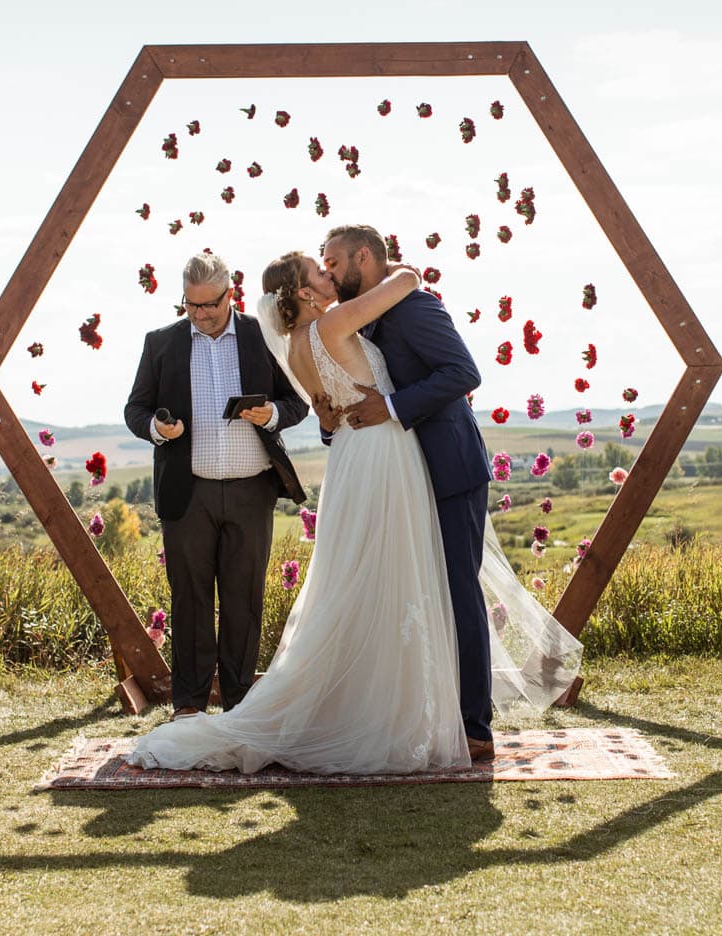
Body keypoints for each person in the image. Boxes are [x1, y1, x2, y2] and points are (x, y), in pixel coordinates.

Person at [125, 247, 580, 776]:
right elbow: (406, 278)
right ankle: (399, 708)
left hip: (350, 459)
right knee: (399, 577)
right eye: (321, 271)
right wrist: (394, 269)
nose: (329, 275)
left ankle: (379, 700)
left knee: (363, 579)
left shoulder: (294, 347)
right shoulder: (337, 321)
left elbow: (323, 414)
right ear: (302, 291)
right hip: (384, 453)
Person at [323, 224, 501, 756]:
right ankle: (425, 714)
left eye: (333, 262)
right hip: (399, 479)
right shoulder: (365, 319)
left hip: (448, 470)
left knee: (457, 592)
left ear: (363, 257)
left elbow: (462, 372)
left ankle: (475, 727)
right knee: (417, 592)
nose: (329, 272)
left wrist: (393, 408)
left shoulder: (416, 307)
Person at [123, 253, 309, 720]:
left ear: (230, 294)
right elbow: (136, 409)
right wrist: (156, 430)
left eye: (210, 305)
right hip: (189, 493)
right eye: (192, 305)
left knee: (245, 600)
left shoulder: (260, 335)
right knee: (189, 599)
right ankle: (187, 704)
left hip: (252, 491)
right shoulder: (160, 343)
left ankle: (240, 704)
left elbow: (297, 400)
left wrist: (272, 415)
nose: (201, 314)